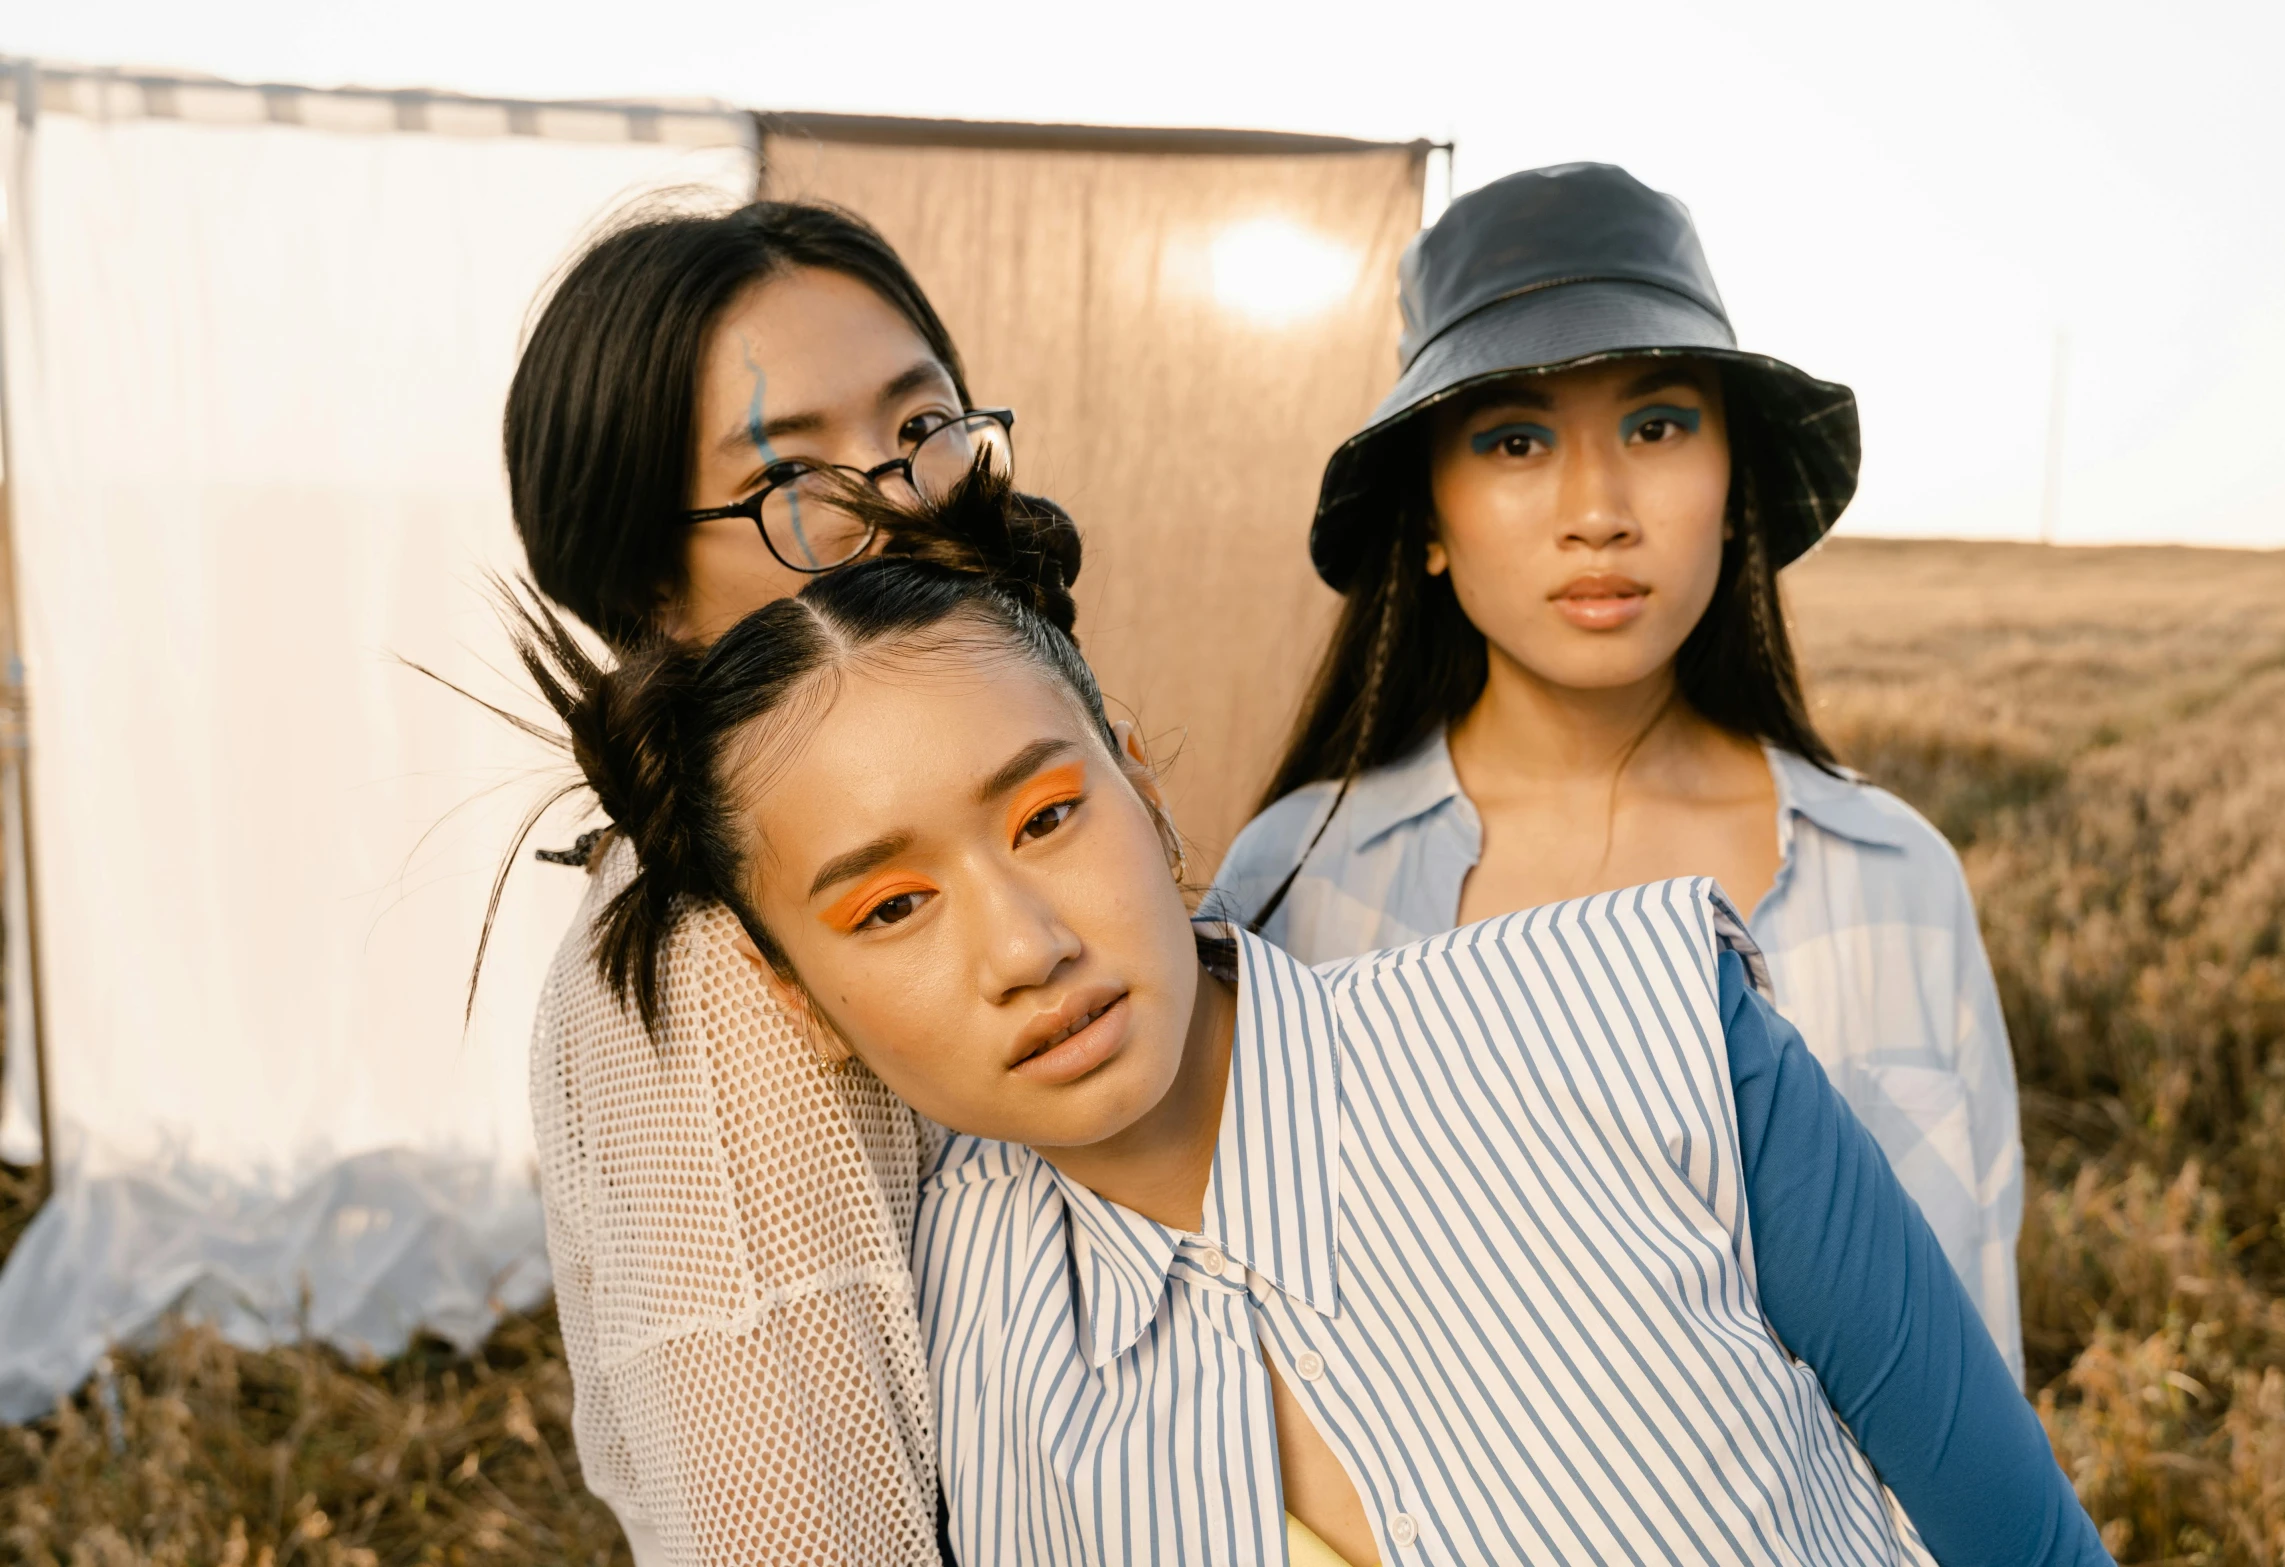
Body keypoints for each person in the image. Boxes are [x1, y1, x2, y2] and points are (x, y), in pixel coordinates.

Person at [503, 471, 2110, 1567]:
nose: (1024, 942)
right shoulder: (934, 1342)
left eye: (1048, 814)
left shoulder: (1640, 1022)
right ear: (800, 997)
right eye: (887, 906)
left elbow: (2015, 1536)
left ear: (1144, 784)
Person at [1211, 162, 2026, 1379]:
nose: (1598, 509)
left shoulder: (1894, 875)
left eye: (1655, 426)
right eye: (1514, 438)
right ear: (1427, 521)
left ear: (1733, 487)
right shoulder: (1295, 881)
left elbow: (1975, 1347)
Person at [502, 198, 1014, 1566]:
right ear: (649, 586)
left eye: (921, 428)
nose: (905, 501)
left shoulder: (942, 830)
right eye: (792, 475)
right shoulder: (718, 963)